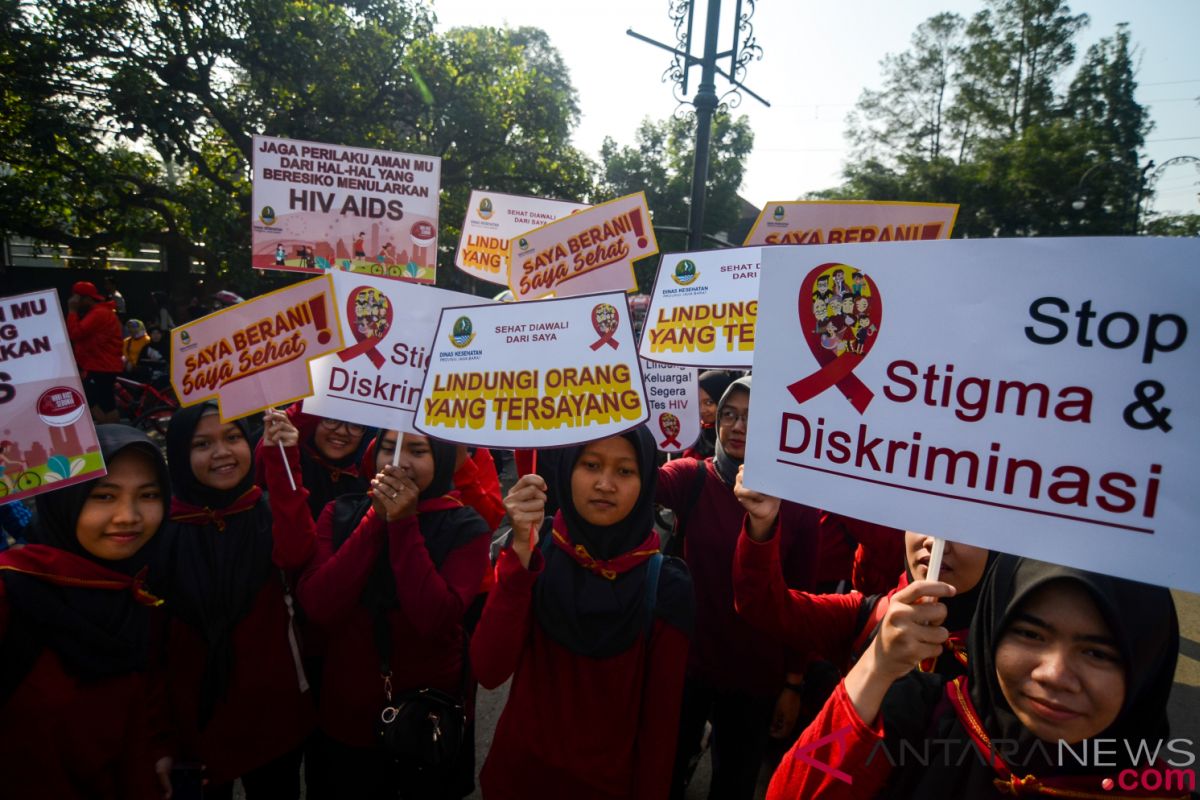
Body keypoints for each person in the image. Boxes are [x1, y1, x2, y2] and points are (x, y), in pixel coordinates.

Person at [767, 555, 1182, 799]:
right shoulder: (920, 715)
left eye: (1096, 653)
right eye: (1030, 634)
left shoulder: (1159, 789)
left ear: (1147, 663)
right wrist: (874, 669)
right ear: (993, 628)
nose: (1055, 674)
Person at [472, 428, 694, 800]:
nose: (605, 484)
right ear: (566, 471)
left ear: (647, 483)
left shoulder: (667, 587)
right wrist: (518, 562)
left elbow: (660, 728)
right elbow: (488, 669)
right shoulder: (538, 548)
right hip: (516, 779)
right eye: (591, 465)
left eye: (625, 471)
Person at [298, 430, 491, 799]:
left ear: (444, 458)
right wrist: (375, 520)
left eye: (418, 450)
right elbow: (320, 606)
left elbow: (433, 619)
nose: (398, 461)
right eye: (388, 447)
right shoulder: (338, 513)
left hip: (427, 716)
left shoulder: (467, 528)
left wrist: (403, 523)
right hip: (347, 715)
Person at [659, 376, 822, 800]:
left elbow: (801, 599)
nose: (737, 426)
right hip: (687, 665)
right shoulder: (692, 477)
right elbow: (639, 480)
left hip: (755, 675)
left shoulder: (799, 502)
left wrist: (792, 685)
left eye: (753, 417)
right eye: (729, 414)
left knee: (734, 783)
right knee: (664, 772)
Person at [0, 425, 172, 799]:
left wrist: (155, 754)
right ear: (65, 500)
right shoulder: (12, 590)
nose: (129, 516)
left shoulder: (138, 590)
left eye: (149, 495)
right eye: (104, 496)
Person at [157, 404, 317, 798]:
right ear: (178, 454)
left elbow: (297, 553)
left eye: (232, 437)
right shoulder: (159, 530)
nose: (222, 452)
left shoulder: (265, 511)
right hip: (195, 724)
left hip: (273, 715)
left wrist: (284, 461)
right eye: (202, 443)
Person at [734, 467, 991, 694]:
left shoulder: (1015, 654)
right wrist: (762, 524)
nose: (933, 542)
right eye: (921, 518)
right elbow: (761, 603)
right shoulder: (867, 617)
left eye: (962, 529)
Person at [257, 403, 375, 520]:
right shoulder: (288, 462)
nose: (342, 432)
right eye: (330, 419)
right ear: (313, 424)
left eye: (355, 425)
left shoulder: (367, 485)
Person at [66, 280, 124, 424]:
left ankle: (111, 432)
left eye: (76, 297)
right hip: (101, 365)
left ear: (85, 298)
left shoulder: (98, 314)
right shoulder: (101, 312)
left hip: (101, 366)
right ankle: (110, 430)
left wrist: (72, 312)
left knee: (96, 400)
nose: (73, 301)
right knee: (103, 401)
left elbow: (75, 333)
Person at [680, 369, 737, 461]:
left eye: (709, 402)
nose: (702, 410)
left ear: (724, 400)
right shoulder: (695, 436)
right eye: (697, 403)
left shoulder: (739, 436)